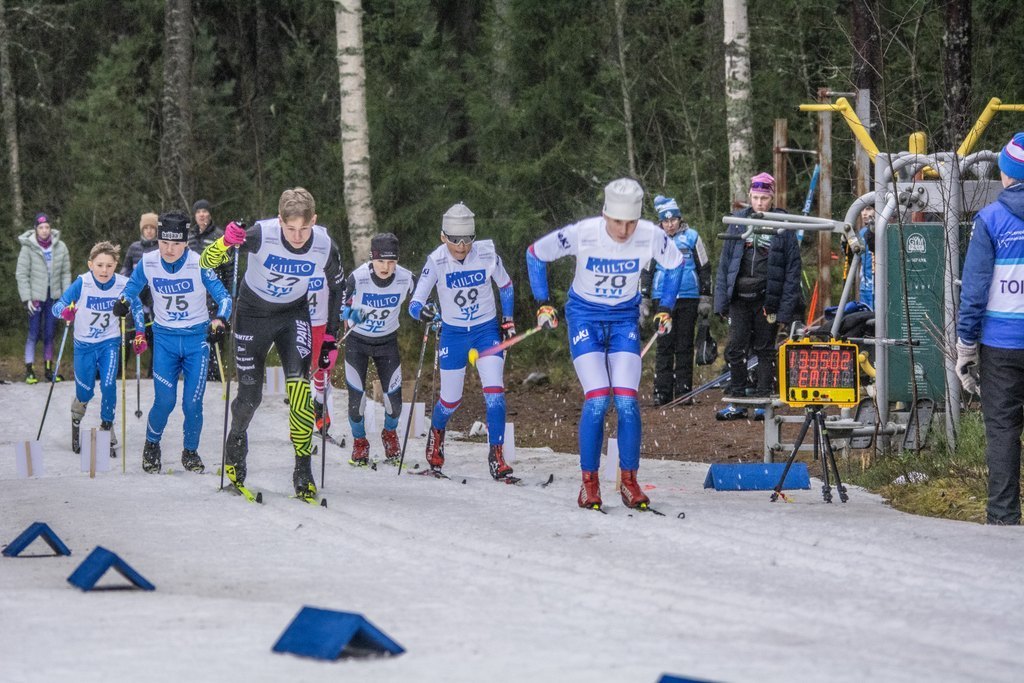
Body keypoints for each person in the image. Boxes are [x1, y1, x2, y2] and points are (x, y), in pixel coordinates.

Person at [526, 178, 683, 510]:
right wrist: (543, 302)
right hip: (584, 317)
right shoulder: (585, 231)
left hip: (624, 319)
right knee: (598, 399)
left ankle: (629, 482)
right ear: (604, 214)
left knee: (626, 401)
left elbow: (675, 264)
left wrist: (665, 307)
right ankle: (589, 484)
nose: (624, 230)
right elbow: (535, 254)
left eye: (631, 223)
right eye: (617, 222)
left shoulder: (651, 234)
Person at [200, 187, 344, 500]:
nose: (297, 236)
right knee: (250, 397)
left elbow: (338, 286)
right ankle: (235, 453)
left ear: (314, 221)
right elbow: (205, 262)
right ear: (280, 221)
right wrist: (227, 240)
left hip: (292, 315)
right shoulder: (260, 234)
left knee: (299, 390)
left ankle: (302, 469)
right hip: (252, 314)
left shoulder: (323, 243)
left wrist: (331, 334)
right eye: (290, 228)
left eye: (304, 228)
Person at [115, 211, 231, 474]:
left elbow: (224, 297)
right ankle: (151, 445)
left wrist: (220, 320)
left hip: (196, 342)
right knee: (165, 401)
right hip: (165, 341)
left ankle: (190, 451)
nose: (169, 249)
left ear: (185, 242)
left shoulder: (200, 263)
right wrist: (122, 301)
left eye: (175, 244)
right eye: (164, 243)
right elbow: (132, 287)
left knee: (192, 403)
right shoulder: (148, 262)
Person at [408, 202, 516, 480]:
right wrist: (425, 312)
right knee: (450, 400)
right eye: (455, 241)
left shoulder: (486, 253)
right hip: (454, 334)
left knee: (495, 394)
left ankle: (497, 456)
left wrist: (508, 319)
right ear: (443, 237)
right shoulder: (436, 261)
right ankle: (436, 442)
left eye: (467, 240)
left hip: (486, 330)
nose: (462, 247)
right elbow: (415, 302)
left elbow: (505, 285)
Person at [956, 132, 1024, 526]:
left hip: (1000, 346)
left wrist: (966, 347)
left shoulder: (992, 220)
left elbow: (976, 292)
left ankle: (1003, 516)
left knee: (1002, 430)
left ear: (1005, 173)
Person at [713, 172, 802, 421]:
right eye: (755, 197)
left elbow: (793, 270)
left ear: (772, 197)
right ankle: (737, 400)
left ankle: (763, 400)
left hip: (767, 299)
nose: (760, 202)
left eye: (764, 198)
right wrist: (721, 301)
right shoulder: (738, 221)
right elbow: (725, 263)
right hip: (739, 297)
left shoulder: (782, 226)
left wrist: (786, 310)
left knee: (764, 350)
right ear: (749, 197)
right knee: (734, 349)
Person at [52, 242, 142, 456]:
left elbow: (137, 307)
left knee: (109, 385)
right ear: (90, 264)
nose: (104, 270)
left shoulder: (123, 283)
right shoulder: (82, 283)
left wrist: (140, 334)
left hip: (109, 342)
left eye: (109, 266)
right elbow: (57, 307)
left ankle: (106, 427)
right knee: (86, 391)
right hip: (84, 346)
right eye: (100, 265)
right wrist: (66, 312)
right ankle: (76, 417)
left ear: (116, 265)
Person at [342, 233, 414, 465]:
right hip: (357, 343)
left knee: (395, 404)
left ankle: (389, 434)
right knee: (357, 403)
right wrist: (353, 314)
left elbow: (423, 299)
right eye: (381, 261)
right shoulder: (358, 278)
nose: (386, 267)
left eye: (392, 262)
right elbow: (338, 309)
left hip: (387, 343)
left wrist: (430, 312)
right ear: (372, 259)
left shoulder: (406, 278)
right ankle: (360, 442)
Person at [641, 195, 711, 405]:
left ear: (680, 219)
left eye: (673, 220)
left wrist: (705, 297)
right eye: (666, 220)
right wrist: (643, 298)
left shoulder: (692, 237)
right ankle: (661, 392)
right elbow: (646, 271)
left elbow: (704, 267)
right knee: (664, 345)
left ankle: (683, 391)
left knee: (685, 345)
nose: (670, 224)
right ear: (660, 222)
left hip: (689, 298)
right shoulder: (655, 240)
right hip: (662, 300)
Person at [16, 212, 72, 384]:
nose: (44, 230)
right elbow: (22, 274)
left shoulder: (60, 247)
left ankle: (49, 370)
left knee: (49, 333)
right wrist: (27, 298)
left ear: (50, 228)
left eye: (47, 227)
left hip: (53, 297)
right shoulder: (28, 247)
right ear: (35, 229)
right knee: (33, 333)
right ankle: (29, 370)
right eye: (41, 227)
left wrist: (66, 298)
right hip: (35, 298)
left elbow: (65, 274)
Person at [188, 198, 232, 381]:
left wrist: (228, 293)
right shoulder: (189, 237)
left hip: (213, 292)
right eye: (199, 212)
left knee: (214, 333)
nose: (202, 215)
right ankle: (196, 371)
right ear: (195, 215)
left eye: (205, 211)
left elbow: (229, 268)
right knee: (195, 334)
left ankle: (214, 374)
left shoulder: (218, 236)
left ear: (209, 214)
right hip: (193, 295)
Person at [121, 212, 159, 378]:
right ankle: (119, 373)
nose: (149, 231)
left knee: (153, 339)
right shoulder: (134, 247)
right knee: (128, 336)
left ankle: (153, 374)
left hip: (152, 300)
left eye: (152, 228)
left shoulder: (160, 248)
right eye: (146, 228)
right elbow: (125, 269)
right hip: (135, 298)